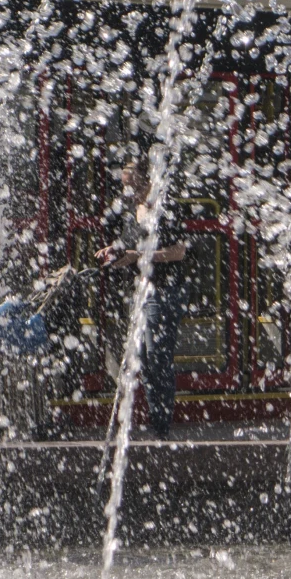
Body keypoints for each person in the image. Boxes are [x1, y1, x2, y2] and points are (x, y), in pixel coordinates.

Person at [95, 154, 188, 438]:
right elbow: (127, 242)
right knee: (146, 360)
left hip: (166, 290)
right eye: (127, 182)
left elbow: (180, 251)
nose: (130, 189)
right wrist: (112, 250)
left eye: (134, 182)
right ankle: (156, 422)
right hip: (144, 290)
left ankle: (162, 425)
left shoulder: (164, 207)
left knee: (158, 356)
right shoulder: (131, 208)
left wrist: (140, 255)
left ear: (149, 180)